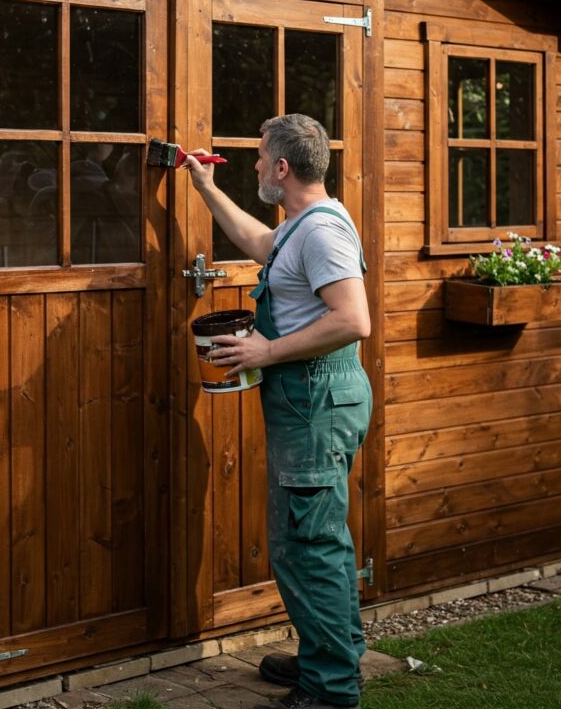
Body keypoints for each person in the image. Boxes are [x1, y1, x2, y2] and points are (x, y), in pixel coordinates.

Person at [183, 113, 372, 709]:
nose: (258, 166)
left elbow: (352, 319)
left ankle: (332, 689)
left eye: (262, 159)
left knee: (306, 544)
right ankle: (329, 656)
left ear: (282, 168)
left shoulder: (321, 233)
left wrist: (266, 349)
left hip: (317, 398)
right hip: (311, 398)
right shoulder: (300, 224)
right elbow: (261, 244)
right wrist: (206, 188)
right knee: (317, 537)